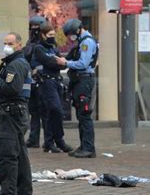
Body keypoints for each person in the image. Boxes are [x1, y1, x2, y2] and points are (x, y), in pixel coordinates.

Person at [0, 32, 32, 195]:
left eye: (10, 43)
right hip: (18, 114)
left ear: (19, 45)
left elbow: (11, 88)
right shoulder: (15, 63)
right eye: (5, 43)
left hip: (12, 114)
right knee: (20, 155)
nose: (6, 46)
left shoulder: (15, 65)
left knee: (7, 156)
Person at [56, 18, 98, 158]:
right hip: (81, 81)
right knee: (81, 114)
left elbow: (83, 63)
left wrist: (66, 62)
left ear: (78, 30)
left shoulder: (86, 42)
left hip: (84, 80)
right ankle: (84, 145)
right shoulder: (83, 41)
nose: (71, 38)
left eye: (71, 34)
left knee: (84, 115)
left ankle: (88, 148)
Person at [32, 25, 73, 153]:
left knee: (52, 112)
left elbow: (62, 64)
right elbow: (49, 62)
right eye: (50, 35)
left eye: (53, 35)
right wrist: (57, 62)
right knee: (56, 110)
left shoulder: (54, 48)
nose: (52, 38)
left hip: (57, 81)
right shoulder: (38, 48)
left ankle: (49, 142)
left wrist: (58, 62)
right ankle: (59, 139)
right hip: (47, 82)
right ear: (43, 35)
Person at [23, 16, 48, 148]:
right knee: (34, 111)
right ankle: (34, 138)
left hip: (42, 80)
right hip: (32, 80)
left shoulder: (46, 44)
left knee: (44, 111)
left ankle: (48, 140)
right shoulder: (31, 42)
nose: (34, 31)